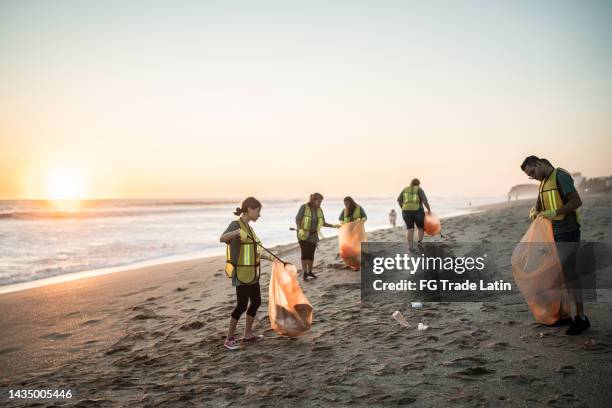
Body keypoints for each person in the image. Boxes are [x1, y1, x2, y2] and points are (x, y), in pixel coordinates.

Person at [521, 155, 589, 335]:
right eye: (530, 176)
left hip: (568, 231)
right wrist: (535, 211)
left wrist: (556, 212)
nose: (533, 177)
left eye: (533, 172)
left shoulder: (560, 177)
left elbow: (576, 201)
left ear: (540, 164)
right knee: (558, 274)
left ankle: (581, 318)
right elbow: (540, 202)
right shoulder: (544, 181)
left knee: (570, 273)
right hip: (553, 232)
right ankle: (563, 315)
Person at [219, 197, 276, 350]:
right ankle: (229, 339)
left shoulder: (250, 228)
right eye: (258, 211)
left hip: (252, 272)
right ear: (249, 209)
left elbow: (256, 250)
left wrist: (272, 258)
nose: (259, 214)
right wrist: (237, 232)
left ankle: (248, 334)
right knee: (242, 305)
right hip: (242, 272)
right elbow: (222, 238)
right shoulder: (236, 224)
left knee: (256, 302)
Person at [296, 193, 339, 280]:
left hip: (314, 235)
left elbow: (323, 223)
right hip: (303, 234)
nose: (320, 202)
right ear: (313, 200)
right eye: (318, 200)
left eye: (321, 201)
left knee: (311, 254)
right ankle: (305, 272)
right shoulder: (304, 207)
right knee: (305, 253)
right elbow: (297, 219)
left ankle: (310, 272)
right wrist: (300, 229)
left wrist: (334, 226)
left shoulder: (319, 210)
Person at [397, 179, 431, 251]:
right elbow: (425, 201)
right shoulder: (419, 189)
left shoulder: (405, 189)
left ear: (411, 183)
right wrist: (429, 209)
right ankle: (419, 242)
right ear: (418, 184)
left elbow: (399, 200)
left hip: (406, 211)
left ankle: (410, 247)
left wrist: (403, 208)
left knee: (410, 229)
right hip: (417, 211)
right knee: (420, 227)